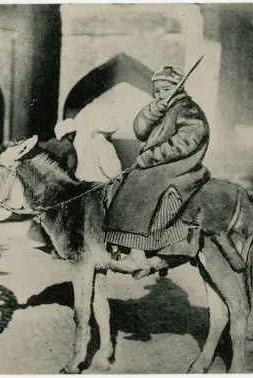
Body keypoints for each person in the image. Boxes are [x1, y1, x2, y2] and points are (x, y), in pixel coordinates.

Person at [103, 65, 211, 279]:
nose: (161, 94)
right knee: (131, 179)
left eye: (166, 89)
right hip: (165, 165)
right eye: (157, 91)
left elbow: (186, 142)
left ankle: (138, 253)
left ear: (178, 88)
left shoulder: (188, 109)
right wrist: (153, 111)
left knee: (143, 183)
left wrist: (151, 156)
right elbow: (140, 131)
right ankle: (124, 246)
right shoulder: (164, 108)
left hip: (183, 165)